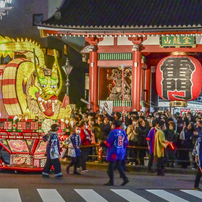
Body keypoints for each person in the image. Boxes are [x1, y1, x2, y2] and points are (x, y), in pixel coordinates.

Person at [102, 120, 129, 186]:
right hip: (121, 150)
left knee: (111, 165)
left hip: (114, 150)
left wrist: (102, 144)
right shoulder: (123, 132)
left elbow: (108, 142)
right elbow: (126, 142)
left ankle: (111, 181)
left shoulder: (113, 132)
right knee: (118, 165)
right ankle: (125, 178)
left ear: (114, 125)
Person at [193, 126, 202, 190]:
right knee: (199, 172)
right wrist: (196, 157)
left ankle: (196, 185)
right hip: (201, 157)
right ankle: (196, 185)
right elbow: (196, 148)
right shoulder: (200, 139)